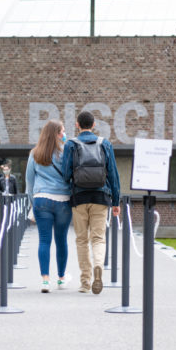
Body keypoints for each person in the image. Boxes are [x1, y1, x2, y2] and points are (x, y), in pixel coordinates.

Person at [61, 111, 120, 295]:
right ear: (94, 124)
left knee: (81, 239)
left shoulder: (71, 144)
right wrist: (116, 201)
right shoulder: (105, 143)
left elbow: (65, 174)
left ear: (77, 125)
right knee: (98, 237)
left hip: (79, 198)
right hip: (101, 197)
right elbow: (113, 174)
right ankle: (98, 265)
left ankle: (85, 282)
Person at [26, 120, 72, 293]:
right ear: (58, 134)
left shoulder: (35, 153)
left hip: (41, 199)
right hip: (63, 199)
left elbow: (29, 181)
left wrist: (33, 202)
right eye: (63, 131)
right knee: (61, 240)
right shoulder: (66, 152)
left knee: (44, 240)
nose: (64, 134)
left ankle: (45, 281)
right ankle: (61, 279)